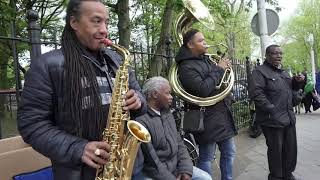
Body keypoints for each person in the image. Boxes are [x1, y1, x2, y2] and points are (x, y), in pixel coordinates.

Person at [17, 0, 146, 180]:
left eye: (106, 22)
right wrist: (78, 148)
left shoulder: (118, 61)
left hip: (126, 166)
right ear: (74, 23)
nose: (104, 30)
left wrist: (138, 101)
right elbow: (32, 125)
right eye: (96, 21)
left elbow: (141, 101)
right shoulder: (46, 66)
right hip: (79, 172)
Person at [175, 29, 237, 180]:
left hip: (221, 114)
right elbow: (203, 89)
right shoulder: (186, 67)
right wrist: (219, 69)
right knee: (207, 157)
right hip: (205, 117)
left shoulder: (206, 59)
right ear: (190, 44)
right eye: (201, 41)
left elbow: (216, 82)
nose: (205, 43)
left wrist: (223, 71)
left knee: (229, 152)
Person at [132, 76, 212, 180]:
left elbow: (179, 143)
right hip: (154, 174)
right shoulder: (141, 120)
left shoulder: (167, 113)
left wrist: (185, 170)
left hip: (175, 168)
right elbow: (152, 161)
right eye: (167, 93)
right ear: (155, 94)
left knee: (205, 178)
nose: (171, 97)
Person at [250, 45, 303, 180]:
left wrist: (297, 82)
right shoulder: (259, 72)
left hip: (288, 118)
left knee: (290, 150)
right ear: (267, 55)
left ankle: (288, 174)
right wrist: (271, 109)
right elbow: (256, 94)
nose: (279, 56)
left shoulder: (283, 72)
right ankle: (276, 177)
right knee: (276, 152)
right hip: (272, 120)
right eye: (275, 53)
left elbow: (291, 89)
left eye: (280, 53)